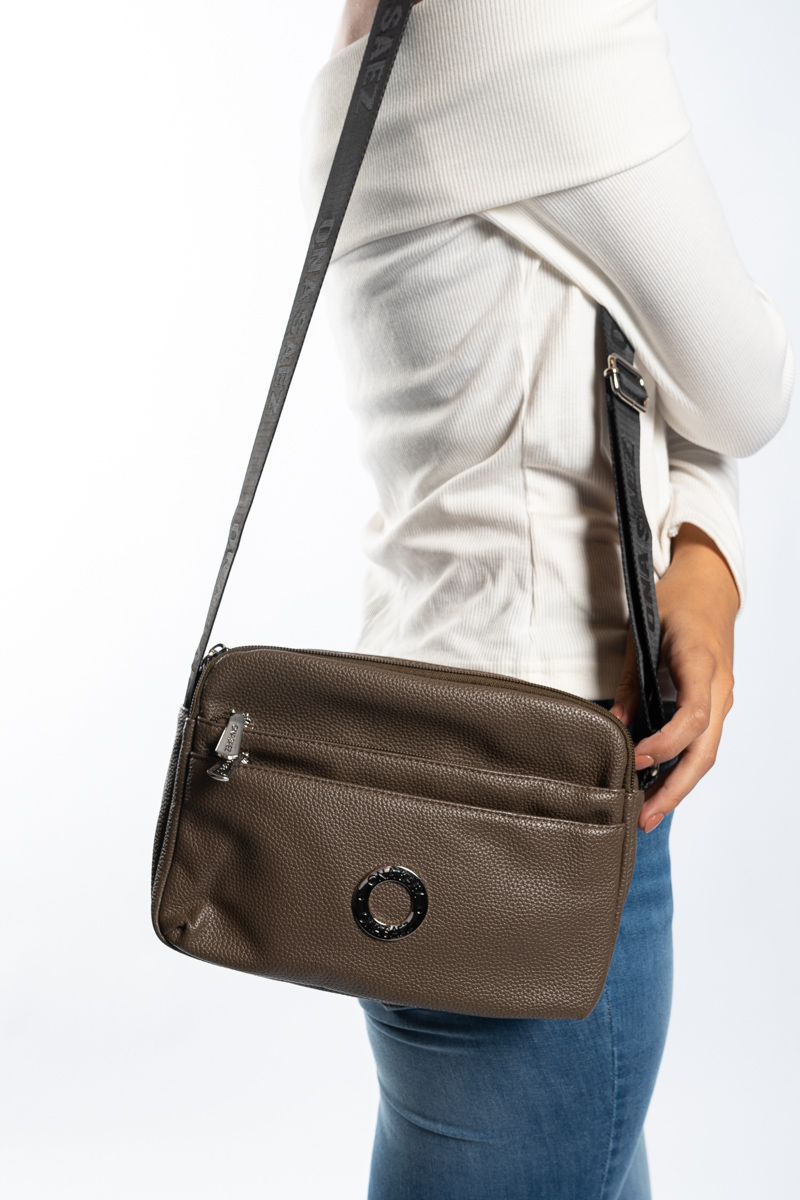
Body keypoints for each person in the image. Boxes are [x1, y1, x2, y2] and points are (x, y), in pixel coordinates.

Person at [301, 1, 793, 1196]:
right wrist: (706, 537)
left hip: (411, 749)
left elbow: (617, 386)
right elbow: (743, 385)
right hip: (542, 795)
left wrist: (702, 555)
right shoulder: (530, 23)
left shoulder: (375, 32)